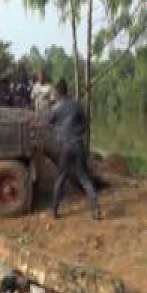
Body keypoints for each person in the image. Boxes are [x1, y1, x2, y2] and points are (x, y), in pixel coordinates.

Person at [46, 78, 102, 221]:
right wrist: (78, 133)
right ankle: (96, 210)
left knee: (61, 178)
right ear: (67, 90)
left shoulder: (56, 108)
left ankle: (54, 211)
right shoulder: (77, 105)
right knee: (83, 177)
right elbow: (86, 125)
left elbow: (48, 122)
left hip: (65, 146)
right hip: (78, 145)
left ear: (58, 92)